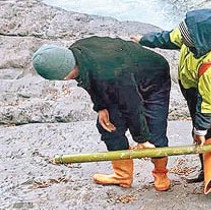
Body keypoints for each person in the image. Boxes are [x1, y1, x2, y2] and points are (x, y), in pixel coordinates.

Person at [32, 37, 172, 191]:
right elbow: (91, 82)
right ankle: (123, 175)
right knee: (108, 127)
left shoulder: (109, 73)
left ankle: (161, 173)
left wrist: (142, 139)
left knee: (154, 131)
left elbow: (132, 105)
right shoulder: (77, 55)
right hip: (124, 78)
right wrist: (101, 107)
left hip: (154, 78)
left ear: (63, 75)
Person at [132, 8, 211, 183]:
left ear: (198, 39)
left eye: (187, 33)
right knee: (201, 135)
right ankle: (206, 170)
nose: (182, 34)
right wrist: (143, 40)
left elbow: (207, 103)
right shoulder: (191, 40)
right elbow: (168, 38)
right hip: (194, 94)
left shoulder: (210, 68)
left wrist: (200, 129)